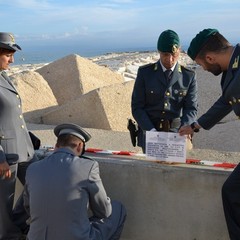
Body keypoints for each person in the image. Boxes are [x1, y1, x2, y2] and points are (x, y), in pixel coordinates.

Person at [179, 28, 240, 239]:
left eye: (201, 64)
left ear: (210, 57)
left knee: (232, 191)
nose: (203, 69)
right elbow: (226, 101)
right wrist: (195, 126)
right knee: (231, 192)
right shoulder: (233, 68)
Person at [23, 123, 127, 240]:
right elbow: (104, 211)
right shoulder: (88, 166)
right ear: (79, 146)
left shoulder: (33, 168)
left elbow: (28, 207)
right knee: (118, 209)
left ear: (56, 145)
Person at [131, 29, 198, 153]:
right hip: (150, 130)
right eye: (166, 55)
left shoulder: (188, 76)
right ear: (159, 52)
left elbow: (191, 108)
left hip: (177, 132)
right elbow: (137, 107)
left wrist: (185, 127)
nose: (170, 59)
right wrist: (151, 131)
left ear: (179, 50)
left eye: (174, 54)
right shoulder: (145, 73)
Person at [0, 32, 39, 239]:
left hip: (24, 150)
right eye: (8, 55)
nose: (13, 60)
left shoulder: (3, 77)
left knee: (38, 185)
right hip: (6, 155)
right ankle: (9, 235)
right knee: (3, 203)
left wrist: (30, 139)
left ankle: (14, 228)